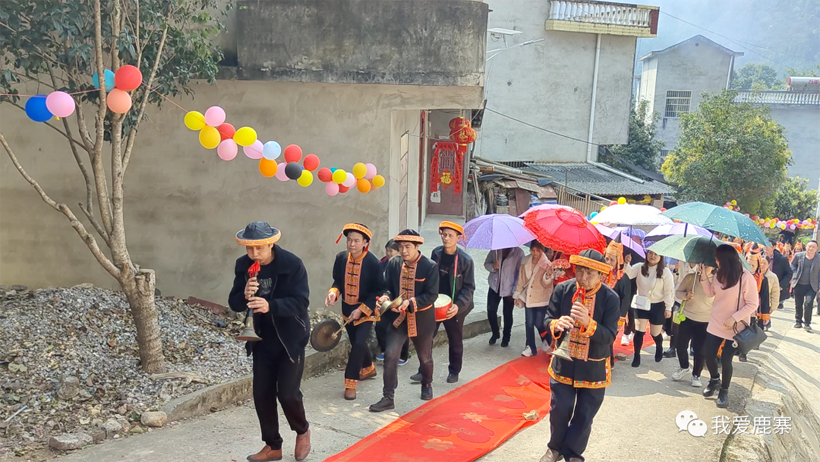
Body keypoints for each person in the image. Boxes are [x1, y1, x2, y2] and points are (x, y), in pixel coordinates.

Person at [228, 222, 311, 462]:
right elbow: (234, 303)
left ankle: (302, 430)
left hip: (290, 337)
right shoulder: (243, 265)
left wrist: (270, 305)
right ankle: (273, 445)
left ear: (271, 244)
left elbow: (301, 302)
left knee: (287, 394)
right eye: (250, 249)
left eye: (260, 248)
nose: (254, 254)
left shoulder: (292, 264)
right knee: (262, 394)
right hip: (261, 337)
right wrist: (244, 294)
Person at [539, 250, 620, 462]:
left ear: (601, 275)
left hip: (593, 367)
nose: (583, 278)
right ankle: (554, 448)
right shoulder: (563, 289)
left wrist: (588, 324)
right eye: (580, 271)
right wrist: (556, 324)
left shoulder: (611, 298)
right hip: (563, 364)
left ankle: (573, 453)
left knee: (585, 414)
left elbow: (609, 336)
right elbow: (547, 319)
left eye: (590, 273)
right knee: (560, 408)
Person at [370, 230, 439, 412]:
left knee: (425, 358)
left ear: (417, 247)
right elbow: (387, 287)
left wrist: (411, 302)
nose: (404, 251)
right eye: (401, 247)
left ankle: (427, 383)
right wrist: (385, 297)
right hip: (398, 320)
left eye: (408, 247)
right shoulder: (393, 263)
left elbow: (432, 295)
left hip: (422, 320)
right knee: (390, 355)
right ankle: (388, 397)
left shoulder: (430, 266)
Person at [325, 223, 384, 400]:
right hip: (347, 310)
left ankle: (350, 383)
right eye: (349, 240)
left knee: (358, 343)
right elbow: (337, 282)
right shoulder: (341, 258)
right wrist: (333, 293)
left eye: (356, 241)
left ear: (365, 242)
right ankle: (369, 368)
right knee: (356, 342)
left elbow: (378, 290)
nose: (352, 244)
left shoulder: (373, 263)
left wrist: (361, 309)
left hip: (366, 311)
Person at [415, 221, 476, 383]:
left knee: (455, 340)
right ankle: (423, 370)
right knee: (427, 338)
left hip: (454, 306)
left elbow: (469, 287)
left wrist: (458, 306)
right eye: (444, 234)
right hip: (434, 304)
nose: (446, 238)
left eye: (450, 235)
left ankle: (454, 370)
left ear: (458, 238)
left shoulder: (466, 260)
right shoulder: (436, 253)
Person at [701, 245, 759, 408]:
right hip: (716, 322)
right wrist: (704, 276)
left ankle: (724, 390)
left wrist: (734, 318)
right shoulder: (718, 274)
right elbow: (710, 293)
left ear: (725, 259)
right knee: (709, 355)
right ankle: (714, 380)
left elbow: (753, 304)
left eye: (717, 258)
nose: (715, 261)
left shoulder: (745, 277)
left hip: (735, 327)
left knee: (726, 359)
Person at [624, 250, 675, 366]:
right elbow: (629, 274)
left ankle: (659, 346)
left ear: (661, 257)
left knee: (655, 333)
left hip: (657, 305)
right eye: (650, 253)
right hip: (641, 303)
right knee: (639, 331)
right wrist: (627, 263)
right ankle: (636, 356)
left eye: (656, 254)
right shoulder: (639, 267)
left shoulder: (665, 272)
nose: (653, 256)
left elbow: (669, 291)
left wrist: (668, 307)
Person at [671, 264, 715, 388]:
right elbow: (678, 292)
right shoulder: (691, 277)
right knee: (680, 345)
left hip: (705, 320)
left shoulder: (716, 281)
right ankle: (684, 367)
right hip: (687, 317)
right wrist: (685, 295)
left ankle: (697, 375)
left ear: (713, 267)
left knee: (700, 350)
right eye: (703, 264)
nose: (705, 267)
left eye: (708, 265)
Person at [514, 240, 555, 357]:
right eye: (533, 250)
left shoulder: (547, 264)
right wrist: (517, 295)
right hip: (528, 297)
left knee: (539, 323)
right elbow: (521, 280)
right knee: (529, 323)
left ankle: (547, 339)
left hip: (541, 297)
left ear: (542, 250)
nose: (535, 253)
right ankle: (530, 346)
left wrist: (548, 275)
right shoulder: (525, 261)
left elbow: (547, 285)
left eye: (537, 250)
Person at [375, 239, 410, 365]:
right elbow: (384, 283)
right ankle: (385, 350)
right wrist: (384, 296)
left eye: (392, 251)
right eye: (387, 250)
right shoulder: (384, 262)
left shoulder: (405, 264)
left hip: (403, 301)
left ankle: (403, 355)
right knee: (381, 325)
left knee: (401, 328)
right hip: (389, 299)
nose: (389, 253)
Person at [485, 246, 525, 347]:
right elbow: (486, 263)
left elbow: (520, 273)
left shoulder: (519, 253)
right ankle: (495, 333)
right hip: (495, 286)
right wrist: (493, 266)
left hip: (509, 288)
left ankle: (506, 337)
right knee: (491, 310)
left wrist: (515, 290)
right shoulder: (496, 249)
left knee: (507, 313)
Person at [603, 241, 632, 364]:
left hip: (615, 315)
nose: (608, 262)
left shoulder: (623, 278)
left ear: (618, 261)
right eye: (607, 259)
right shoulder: (601, 274)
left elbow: (625, 300)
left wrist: (620, 319)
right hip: (601, 312)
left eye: (612, 260)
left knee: (608, 339)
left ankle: (609, 363)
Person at [789, 240, 819, 332]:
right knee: (798, 303)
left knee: (809, 303)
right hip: (799, 283)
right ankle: (798, 321)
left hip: (812, 285)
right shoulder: (798, 256)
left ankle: (807, 323)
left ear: (817, 248)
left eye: (813, 247)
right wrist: (795, 273)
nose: (811, 248)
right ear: (806, 247)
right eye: (810, 246)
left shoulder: (818, 258)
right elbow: (792, 265)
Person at [764, 243, 793, 311]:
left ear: (774, 247)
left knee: (771, 308)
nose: (766, 247)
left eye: (768, 245)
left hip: (775, 287)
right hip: (761, 285)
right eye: (764, 245)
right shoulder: (758, 256)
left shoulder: (782, 259)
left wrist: (781, 285)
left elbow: (789, 273)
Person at [761, 256, 781, 331]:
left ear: (769, 264)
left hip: (766, 303)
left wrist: (773, 307)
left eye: (765, 263)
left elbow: (775, 293)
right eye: (761, 263)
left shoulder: (773, 277)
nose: (762, 265)